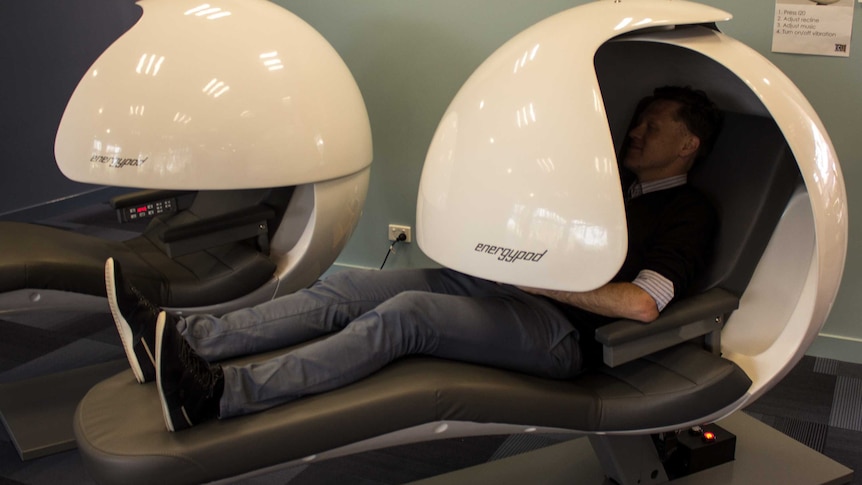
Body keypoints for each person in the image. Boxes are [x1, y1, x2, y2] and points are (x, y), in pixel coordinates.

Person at [107, 85, 722, 432]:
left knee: (405, 315)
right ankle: (188, 338)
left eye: (653, 124)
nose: (635, 130)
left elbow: (641, 304)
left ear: (687, 145)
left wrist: (545, 283)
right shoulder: (607, 182)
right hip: (503, 286)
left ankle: (219, 394)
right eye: (636, 118)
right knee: (343, 293)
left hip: (564, 332)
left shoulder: (688, 212)